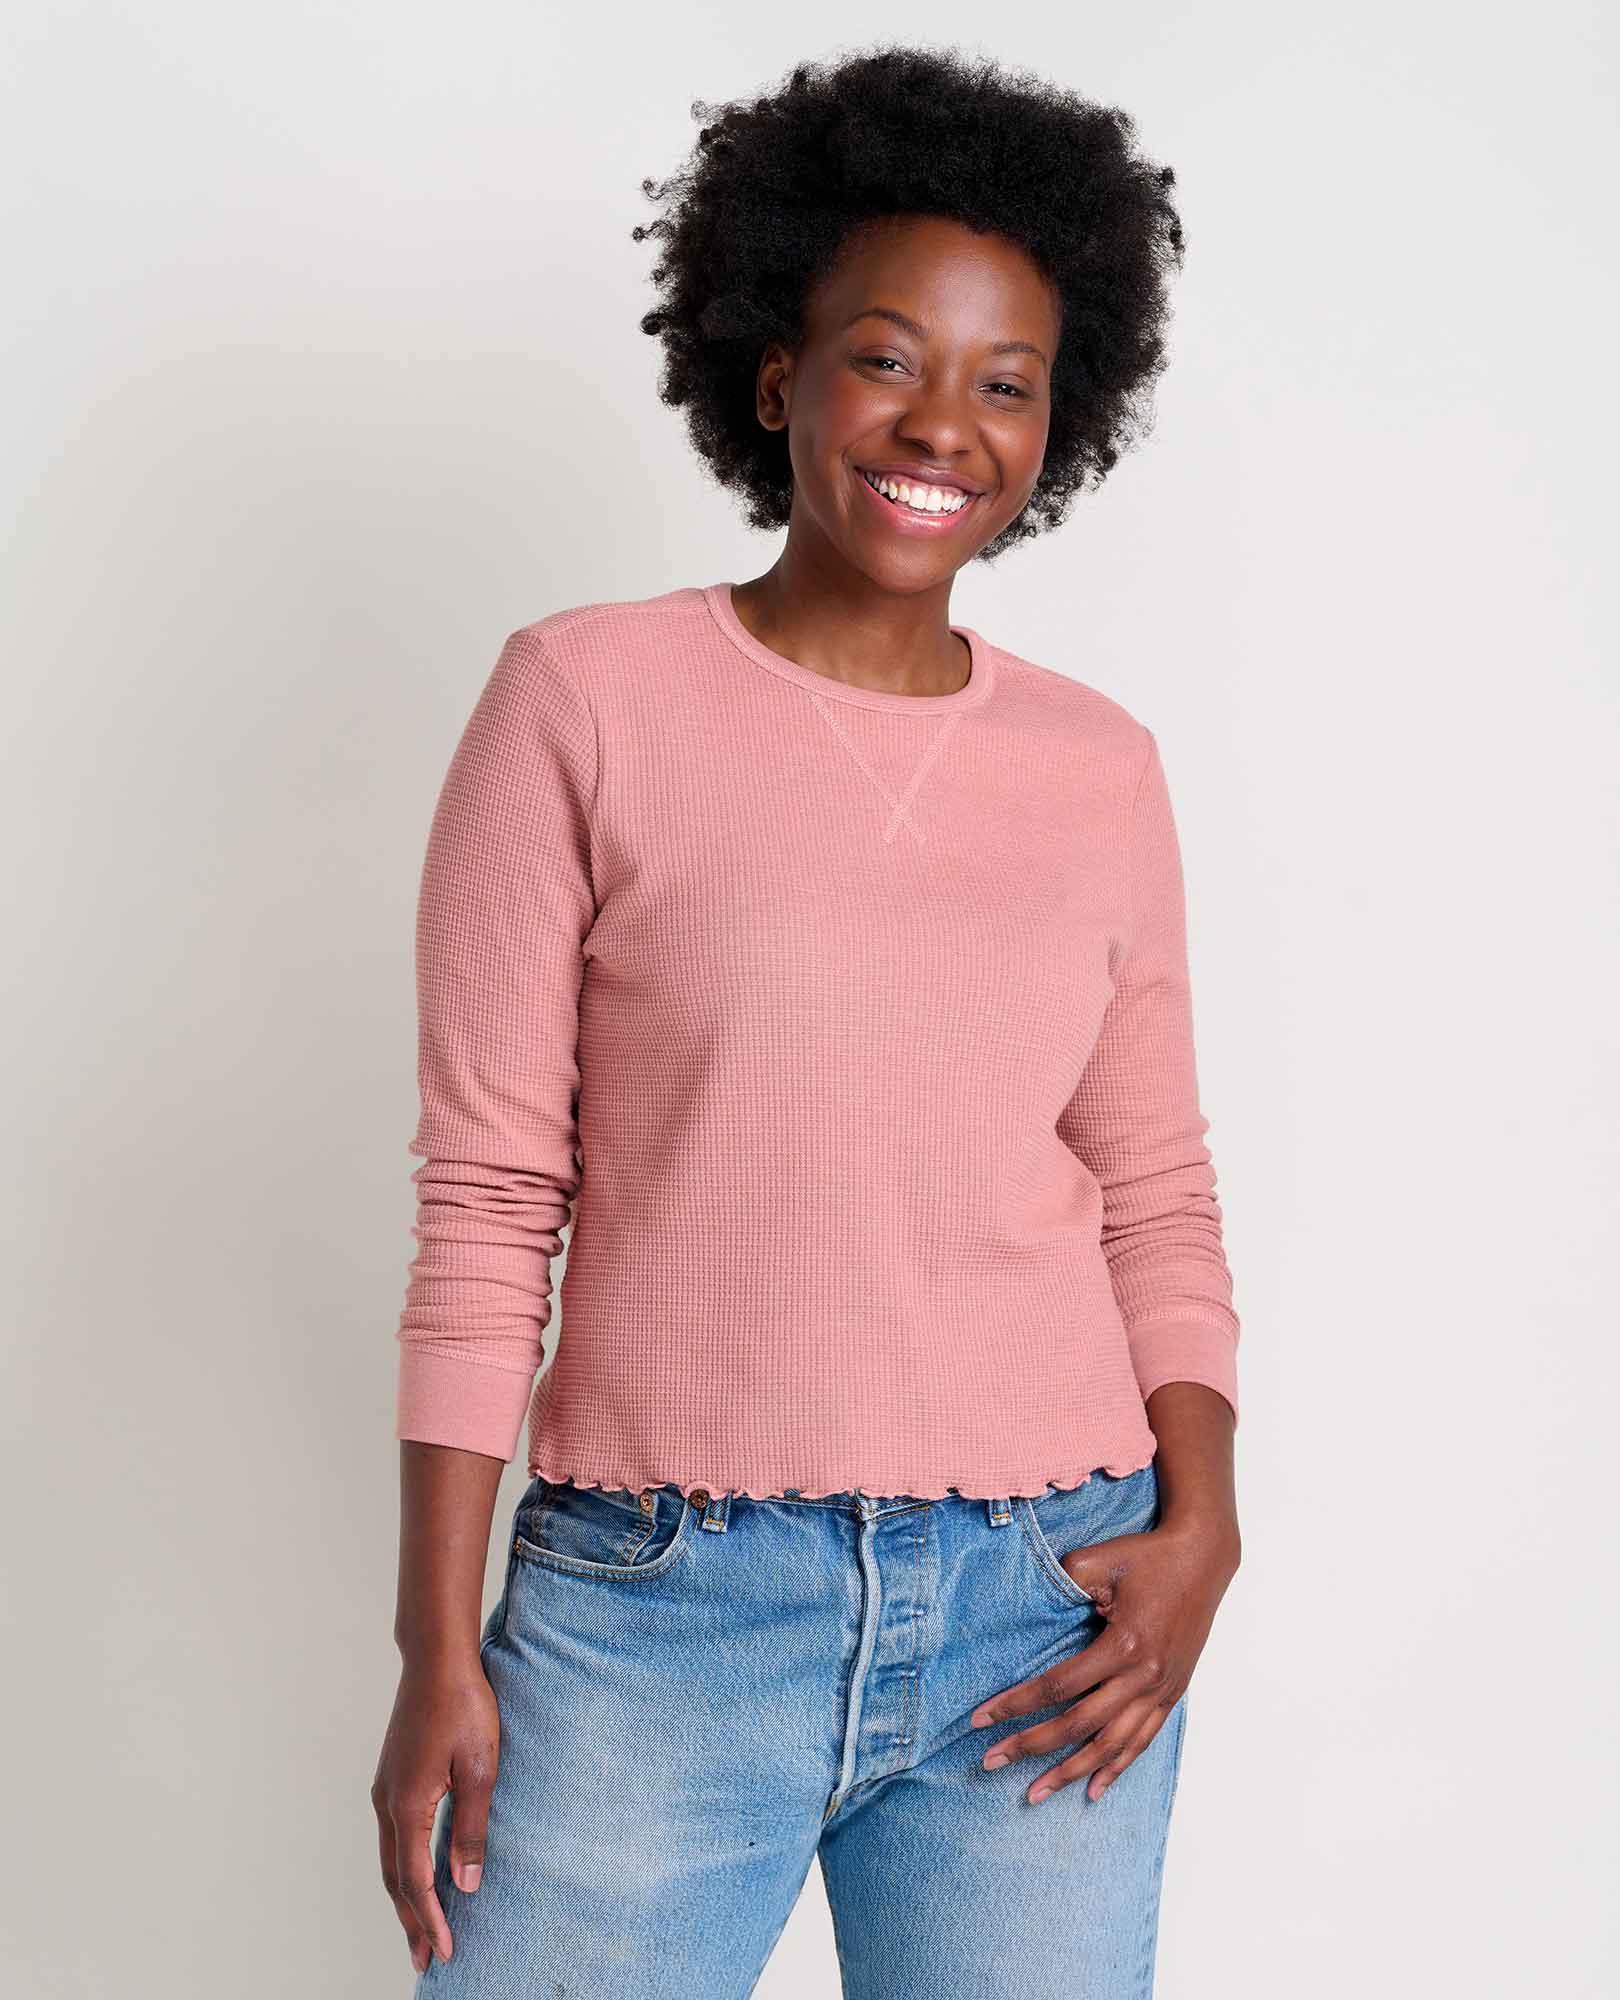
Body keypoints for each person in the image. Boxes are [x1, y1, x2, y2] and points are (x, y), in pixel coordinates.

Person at [373, 43, 1242, 1999]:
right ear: (775, 377)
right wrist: (435, 1640)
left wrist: (1208, 1524)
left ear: (1063, 419)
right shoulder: (582, 700)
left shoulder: (1100, 767)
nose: (944, 423)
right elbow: (492, 1200)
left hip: (1052, 1606)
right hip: (660, 1609)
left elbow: (1155, 1188)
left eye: (1007, 381)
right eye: (886, 356)